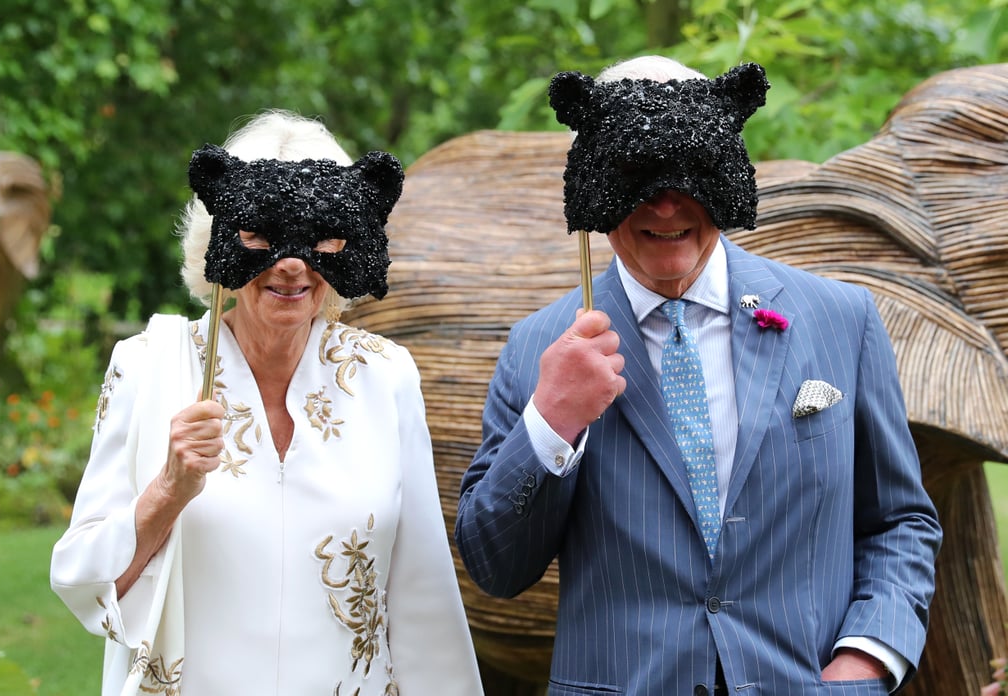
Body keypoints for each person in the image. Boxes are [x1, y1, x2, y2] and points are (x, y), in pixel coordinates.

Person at [455, 56, 941, 695]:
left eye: (691, 173)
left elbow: (900, 522)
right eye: (635, 179)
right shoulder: (539, 348)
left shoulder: (839, 319)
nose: (665, 205)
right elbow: (496, 566)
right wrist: (552, 420)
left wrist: (868, 659)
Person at [51, 110, 484, 696]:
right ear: (218, 241)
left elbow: (422, 593)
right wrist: (167, 491)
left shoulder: (386, 376)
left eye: (320, 235)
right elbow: (82, 581)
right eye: (260, 233)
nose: (291, 264)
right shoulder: (150, 365)